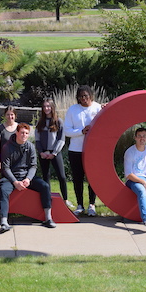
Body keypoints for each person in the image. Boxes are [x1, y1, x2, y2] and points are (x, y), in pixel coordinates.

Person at [0, 123, 57, 233]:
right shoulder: (7, 147)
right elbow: (5, 168)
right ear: (16, 133)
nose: (24, 135)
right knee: (3, 190)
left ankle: (48, 218)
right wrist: (15, 182)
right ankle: (4, 222)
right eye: (22, 133)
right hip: (11, 177)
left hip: (26, 176)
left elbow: (33, 165)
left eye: (26, 133)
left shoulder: (30, 146)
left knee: (45, 186)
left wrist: (28, 179)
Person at [64, 85, 103, 216]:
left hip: (93, 150)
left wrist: (107, 109)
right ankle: (80, 205)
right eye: (81, 96)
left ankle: (92, 205)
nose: (84, 99)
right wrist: (81, 131)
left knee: (93, 178)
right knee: (77, 178)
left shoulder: (98, 108)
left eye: (86, 96)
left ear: (91, 96)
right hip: (75, 150)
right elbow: (67, 131)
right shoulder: (72, 110)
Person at [35, 98, 74, 209]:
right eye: (44, 106)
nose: (46, 108)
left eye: (48, 106)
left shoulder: (58, 121)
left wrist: (54, 152)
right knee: (45, 177)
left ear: (52, 107)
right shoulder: (40, 122)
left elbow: (61, 139)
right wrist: (41, 152)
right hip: (43, 154)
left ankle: (65, 200)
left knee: (61, 177)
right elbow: (37, 138)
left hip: (55, 153)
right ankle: (47, 201)